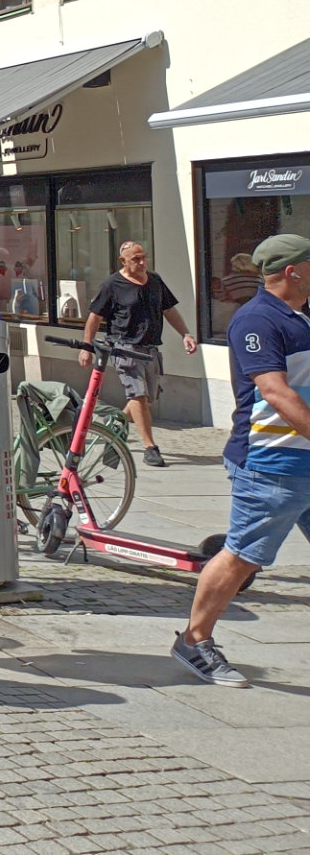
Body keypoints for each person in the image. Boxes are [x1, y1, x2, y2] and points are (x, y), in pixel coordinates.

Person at [172, 232, 310, 688]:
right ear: (293, 271)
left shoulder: (300, 315)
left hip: (302, 460)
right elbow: (275, 390)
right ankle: (193, 642)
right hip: (271, 462)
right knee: (243, 556)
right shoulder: (256, 320)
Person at [81, 240, 198, 468]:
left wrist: (186, 333)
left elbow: (168, 309)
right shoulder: (112, 285)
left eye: (144, 257)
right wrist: (87, 347)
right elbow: (94, 317)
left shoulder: (154, 281)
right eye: (136, 259)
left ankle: (116, 423)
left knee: (148, 400)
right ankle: (150, 447)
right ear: (123, 261)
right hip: (124, 347)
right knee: (138, 396)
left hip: (151, 348)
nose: (142, 262)